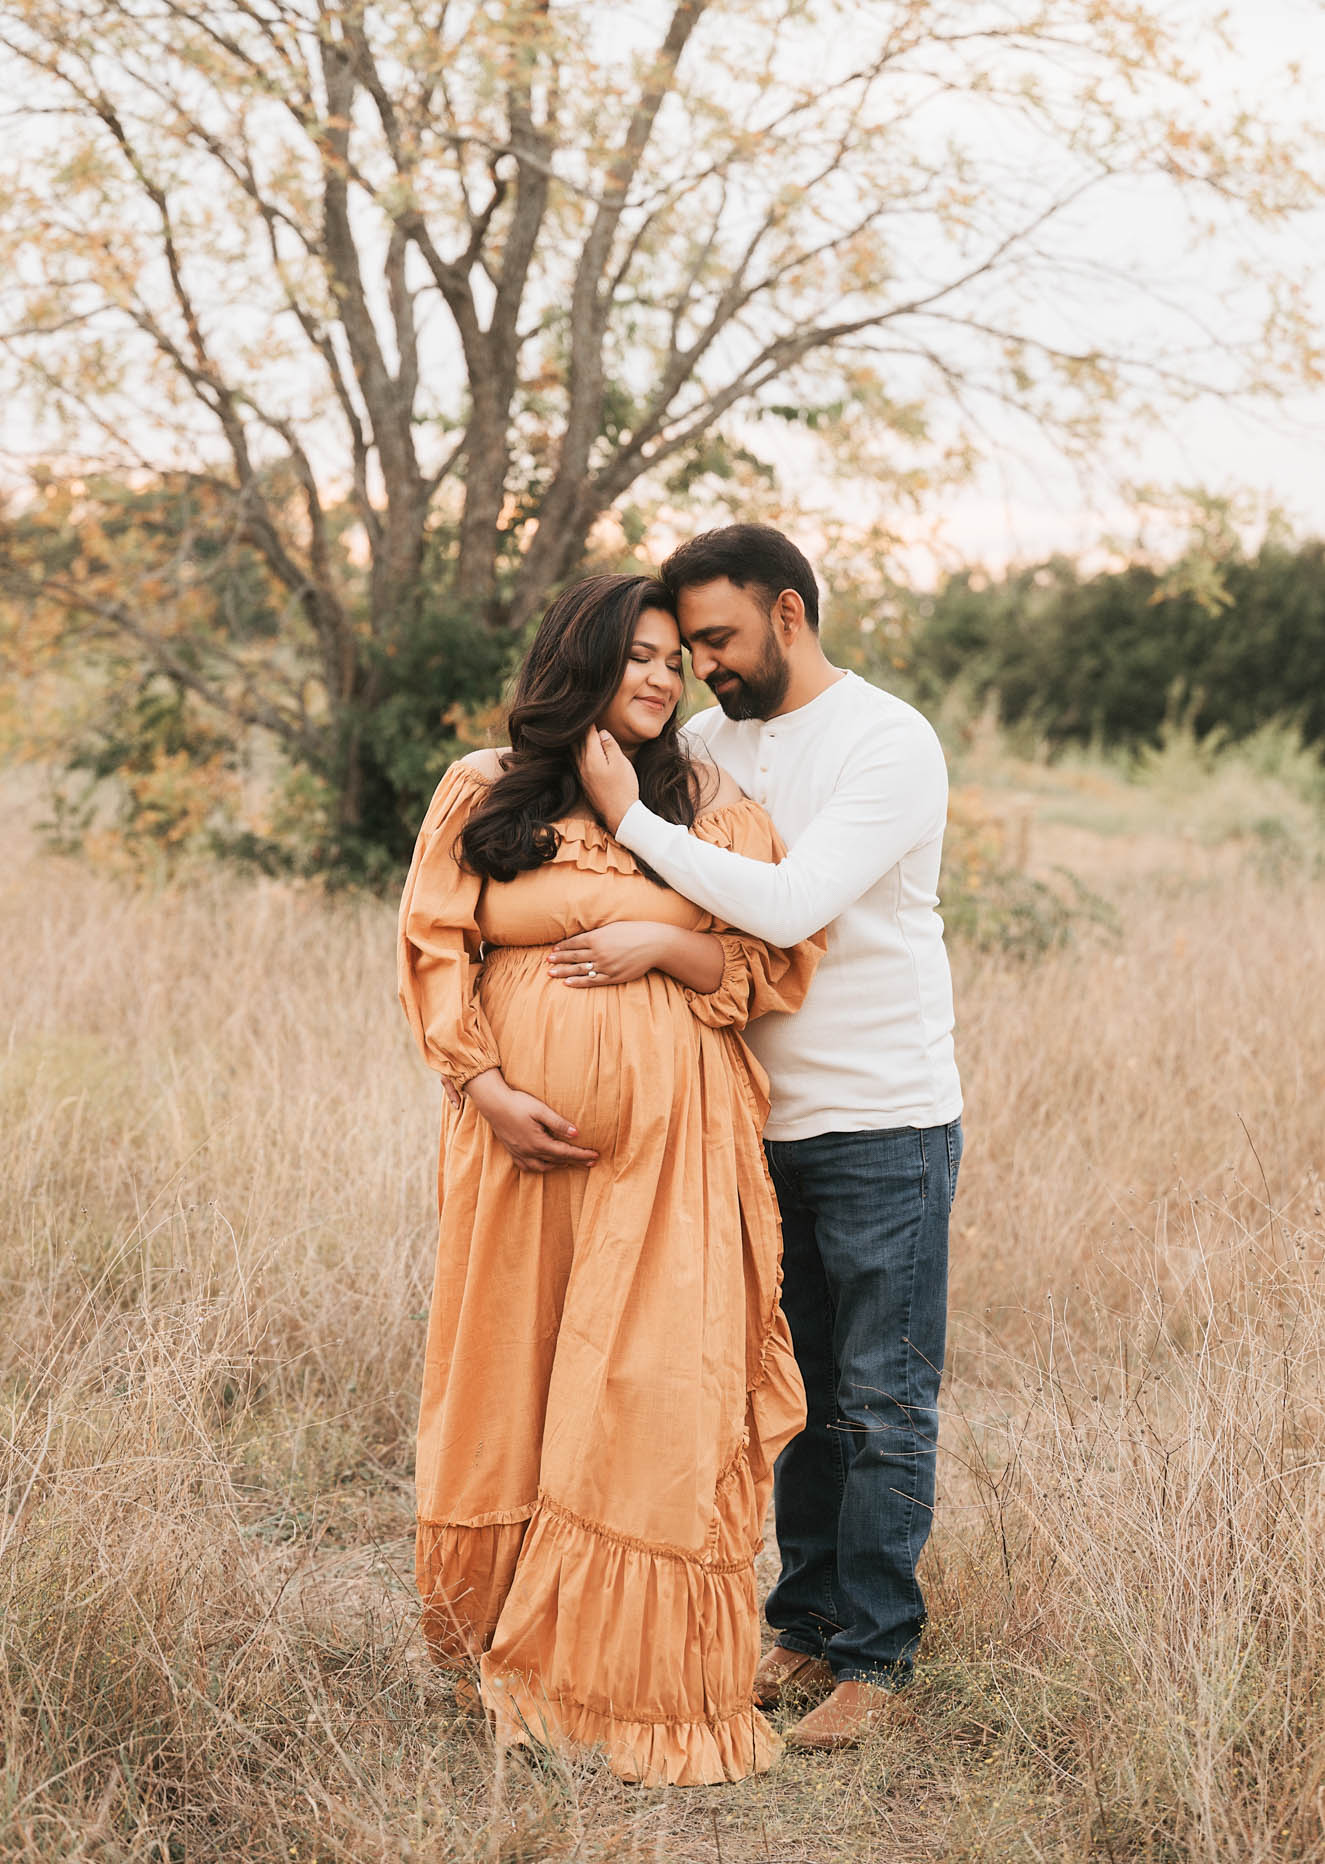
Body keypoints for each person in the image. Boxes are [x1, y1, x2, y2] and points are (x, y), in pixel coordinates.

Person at [396, 574, 822, 1787]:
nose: (657, 678)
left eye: (671, 661)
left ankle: (619, 1679)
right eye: (633, 656)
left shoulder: (707, 806)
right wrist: (483, 1087)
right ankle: (502, 1633)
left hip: (673, 1148)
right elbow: (436, 945)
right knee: (517, 1367)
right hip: (517, 1144)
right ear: (575, 662)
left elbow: (774, 955)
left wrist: (662, 939)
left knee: (647, 1386)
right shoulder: (483, 788)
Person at [573, 525, 963, 1753]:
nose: (705, 665)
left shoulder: (887, 742)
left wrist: (633, 823)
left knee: (879, 1397)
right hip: (744, 1118)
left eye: (720, 639)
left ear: (789, 612)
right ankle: (798, 1627)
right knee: (789, 1395)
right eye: (690, 647)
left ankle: (875, 1659)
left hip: (878, 1116)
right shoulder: (705, 741)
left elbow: (789, 905)